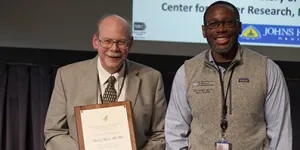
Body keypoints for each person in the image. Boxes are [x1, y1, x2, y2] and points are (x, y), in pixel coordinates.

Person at [165, 1, 292, 150]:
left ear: (239, 28)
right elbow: (175, 130)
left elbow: (281, 132)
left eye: (228, 23)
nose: (221, 29)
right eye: (213, 24)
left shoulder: (267, 69)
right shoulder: (186, 72)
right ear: (204, 31)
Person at [44, 14, 167, 150]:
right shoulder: (67, 76)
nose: (114, 49)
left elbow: (160, 134)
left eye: (121, 42)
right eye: (107, 41)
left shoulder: (151, 79)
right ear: (96, 42)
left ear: (130, 44)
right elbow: (54, 132)